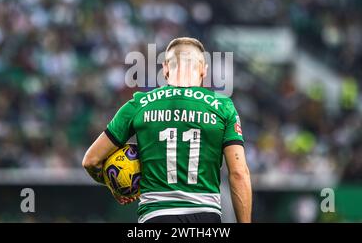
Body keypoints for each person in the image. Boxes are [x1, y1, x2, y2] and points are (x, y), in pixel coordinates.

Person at [82, 37, 252, 223]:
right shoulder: (223, 107)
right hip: (206, 215)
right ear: (204, 70)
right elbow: (238, 173)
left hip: (156, 216)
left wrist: (116, 184)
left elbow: (91, 161)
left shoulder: (139, 104)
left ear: (165, 69)